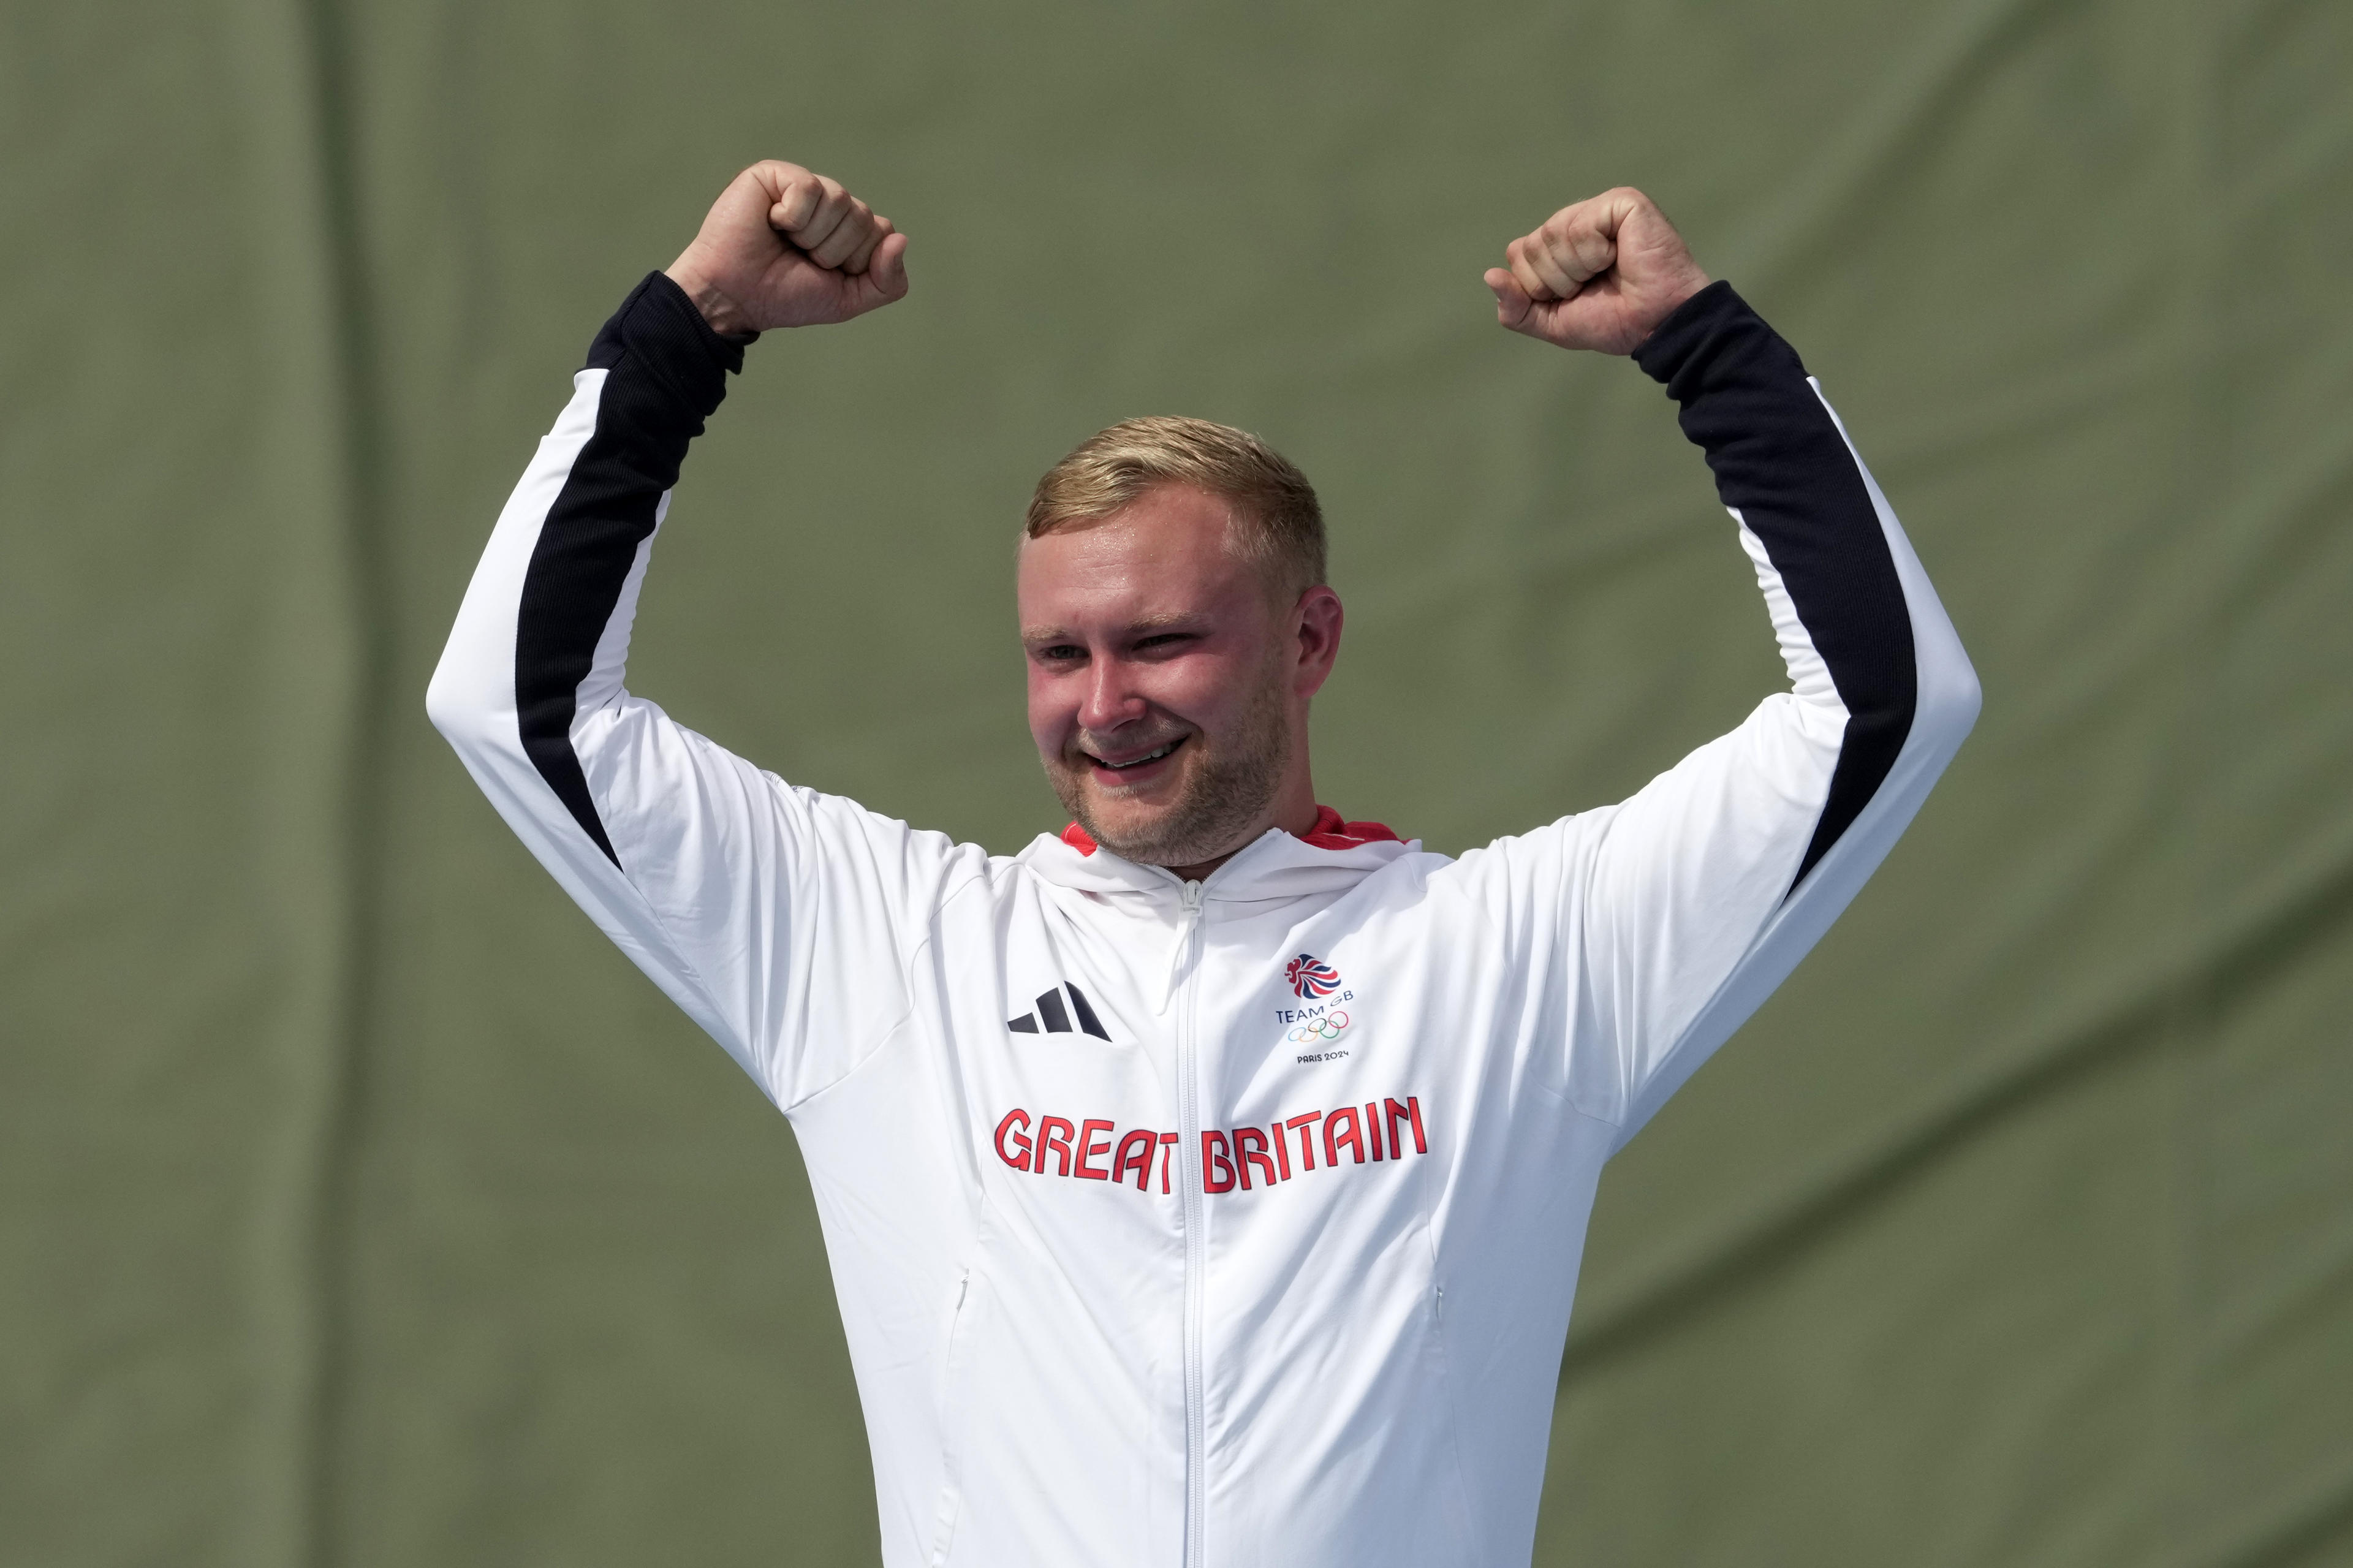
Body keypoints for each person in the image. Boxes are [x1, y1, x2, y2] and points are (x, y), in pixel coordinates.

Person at [428, 159, 1978, 1567]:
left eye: (1163, 639)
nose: (1105, 705)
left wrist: (1707, 350)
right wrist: (691, 326)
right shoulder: (886, 944)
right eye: (1060, 651)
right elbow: (516, 700)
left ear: (1310, 642)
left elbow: (1885, 702)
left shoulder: (1515, 957)